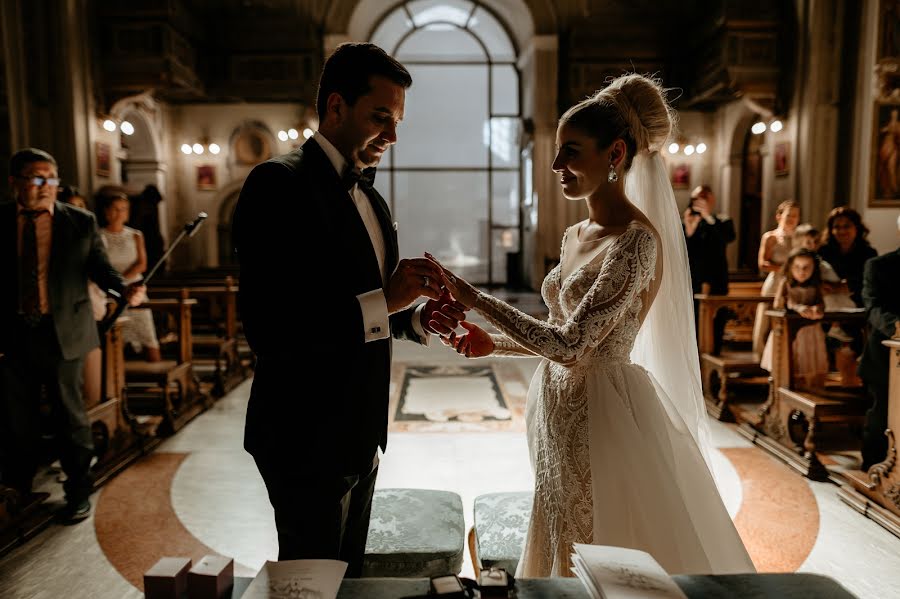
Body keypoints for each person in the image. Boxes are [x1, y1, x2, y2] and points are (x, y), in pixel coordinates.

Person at [433, 74, 755, 576]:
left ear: (615, 154)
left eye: (572, 151)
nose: (558, 165)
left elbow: (576, 345)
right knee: (559, 521)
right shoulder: (574, 234)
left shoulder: (636, 242)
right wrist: (491, 344)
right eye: (558, 151)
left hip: (605, 411)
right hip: (557, 403)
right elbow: (559, 332)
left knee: (600, 536)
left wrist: (472, 297)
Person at [231, 43, 464, 575]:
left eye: (398, 120)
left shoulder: (373, 199)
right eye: (380, 117)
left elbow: (370, 310)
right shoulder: (277, 184)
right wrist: (388, 300)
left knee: (351, 577)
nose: (393, 135)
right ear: (336, 107)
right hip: (303, 433)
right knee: (311, 579)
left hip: (360, 433)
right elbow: (271, 329)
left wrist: (415, 317)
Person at [0, 148, 143, 522]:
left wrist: (123, 289)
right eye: (36, 177)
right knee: (17, 418)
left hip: (62, 331)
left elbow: (101, 269)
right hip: (14, 334)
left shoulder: (79, 221)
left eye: (51, 178)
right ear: (14, 181)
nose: (46, 186)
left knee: (70, 417)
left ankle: (79, 490)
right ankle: (18, 489)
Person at [858, 215, 900, 471]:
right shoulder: (879, 266)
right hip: (885, 356)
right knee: (882, 414)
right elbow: (872, 307)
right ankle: (872, 467)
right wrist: (897, 327)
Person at [100, 193, 161, 362]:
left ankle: (158, 374)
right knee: (115, 340)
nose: (120, 213)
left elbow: (142, 263)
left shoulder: (136, 235)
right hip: (109, 292)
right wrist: (113, 284)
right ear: (106, 212)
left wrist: (122, 280)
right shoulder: (99, 235)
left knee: (148, 337)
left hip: (134, 289)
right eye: (116, 209)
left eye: (124, 209)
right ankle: (118, 380)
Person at [759, 248, 828, 390]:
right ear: (790, 267)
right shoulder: (786, 283)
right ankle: (780, 395)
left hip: (809, 332)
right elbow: (781, 303)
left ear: (814, 268)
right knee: (785, 366)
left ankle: (807, 395)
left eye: (806, 268)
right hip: (787, 331)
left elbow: (821, 303)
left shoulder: (815, 285)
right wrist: (798, 308)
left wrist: (818, 309)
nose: (801, 271)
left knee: (806, 367)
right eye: (797, 267)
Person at [683, 184, 736, 352]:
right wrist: (689, 230)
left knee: (718, 317)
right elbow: (682, 251)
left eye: (704, 197)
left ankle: (715, 353)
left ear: (712, 199)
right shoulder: (687, 220)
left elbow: (727, 238)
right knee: (692, 317)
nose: (700, 201)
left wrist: (707, 217)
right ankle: (693, 355)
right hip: (693, 278)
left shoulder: (722, 220)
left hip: (716, 277)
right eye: (696, 198)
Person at [751, 200, 799, 356]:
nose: (792, 219)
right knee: (765, 321)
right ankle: (760, 357)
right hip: (775, 283)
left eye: (795, 216)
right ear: (779, 216)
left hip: (795, 284)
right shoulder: (770, 237)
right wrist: (784, 269)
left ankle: (786, 358)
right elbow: (762, 264)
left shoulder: (800, 238)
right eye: (788, 215)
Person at [817, 206, 878, 308]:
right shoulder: (822, 251)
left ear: (857, 228)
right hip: (826, 304)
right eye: (837, 227)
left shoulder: (868, 253)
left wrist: (840, 287)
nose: (842, 231)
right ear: (831, 230)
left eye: (846, 226)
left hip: (859, 306)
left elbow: (870, 283)